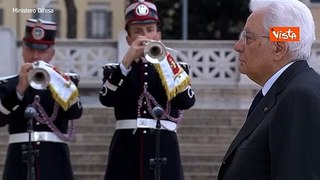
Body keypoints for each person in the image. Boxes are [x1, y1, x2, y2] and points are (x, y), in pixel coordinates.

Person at [217, 0, 320, 179]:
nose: (238, 46)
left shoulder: (299, 96)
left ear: (278, 47)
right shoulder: (287, 90)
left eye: (248, 38)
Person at [99, 0, 196, 179]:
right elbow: (107, 99)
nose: (145, 36)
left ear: (158, 35)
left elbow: (186, 101)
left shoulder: (175, 68)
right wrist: (126, 62)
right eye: (138, 31)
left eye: (150, 30)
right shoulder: (117, 70)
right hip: (126, 152)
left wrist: (166, 62)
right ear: (128, 39)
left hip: (164, 149)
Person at [0, 18, 83, 180]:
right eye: (30, 49)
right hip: (19, 160)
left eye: (42, 51)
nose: (35, 56)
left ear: (52, 53)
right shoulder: (8, 84)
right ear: (23, 50)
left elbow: (75, 113)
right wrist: (19, 90)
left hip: (55, 160)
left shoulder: (64, 83)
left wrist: (60, 83)